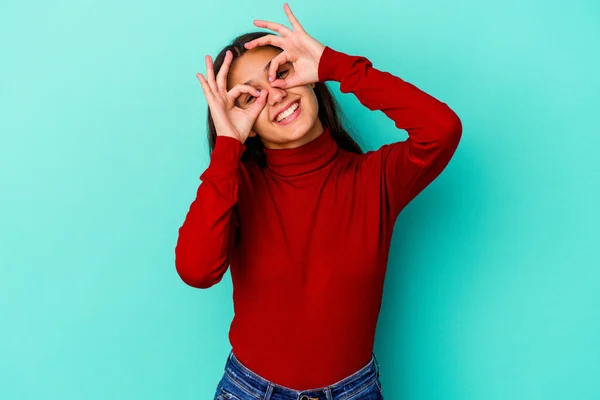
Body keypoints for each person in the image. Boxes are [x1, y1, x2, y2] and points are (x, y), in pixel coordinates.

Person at [175, 3, 462, 399]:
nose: (274, 95)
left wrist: (334, 65)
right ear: (246, 126)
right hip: (250, 390)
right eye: (249, 98)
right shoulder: (235, 186)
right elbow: (196, 270)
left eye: (282, 73)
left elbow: (442, 130)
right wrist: (228, 147)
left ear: (309, 78)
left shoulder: (376, 179)